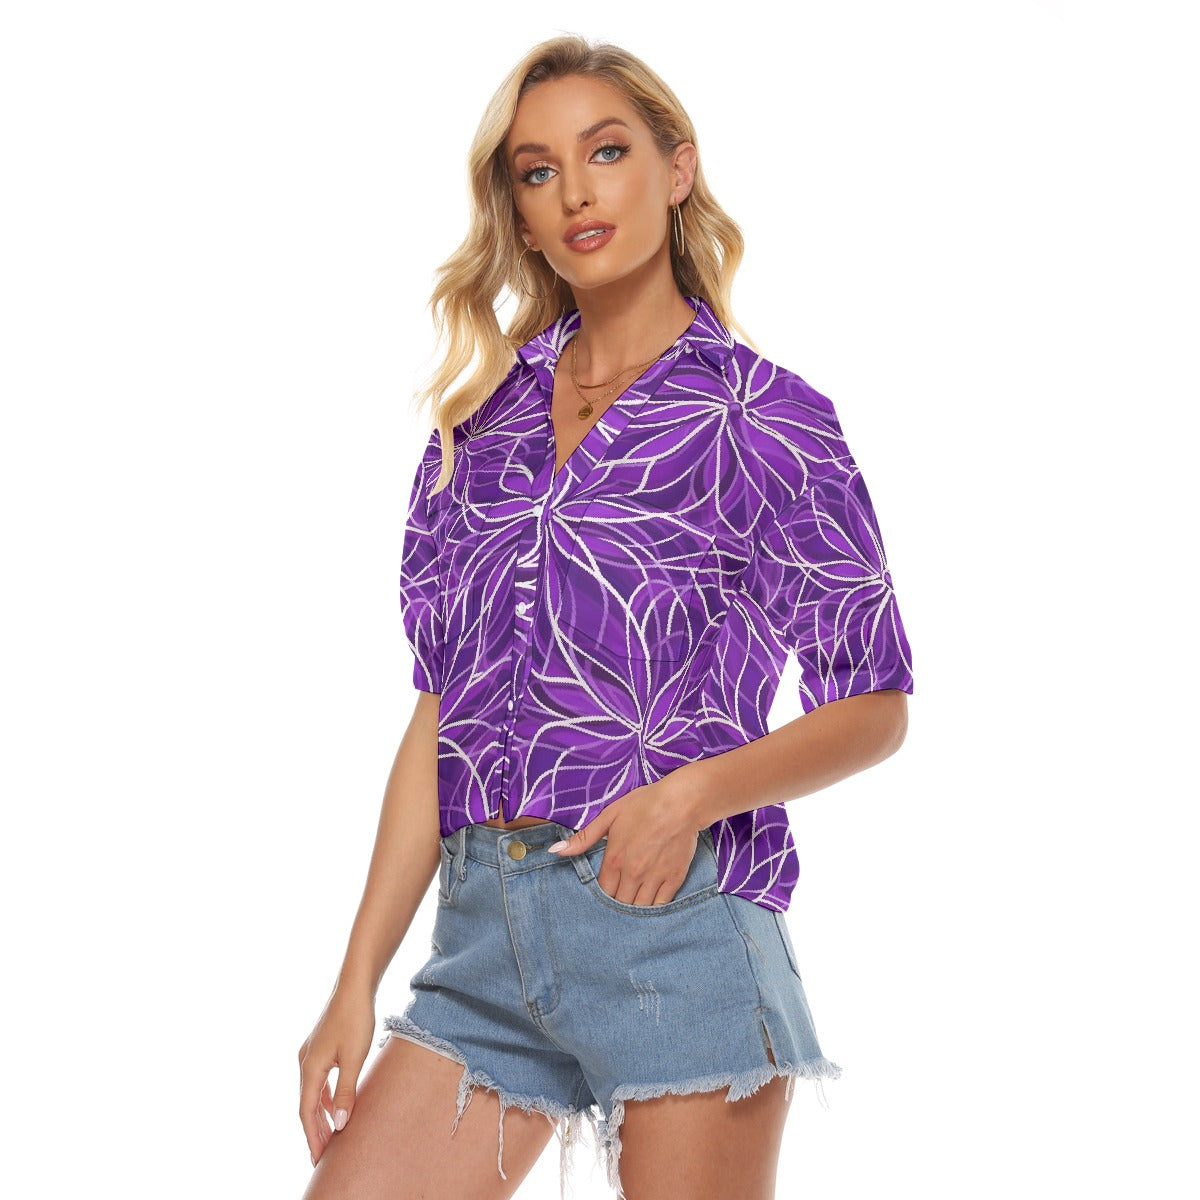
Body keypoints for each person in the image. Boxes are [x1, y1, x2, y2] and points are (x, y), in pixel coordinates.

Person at [298, 33, 913, 1200]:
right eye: (538, 171)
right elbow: (440, 715)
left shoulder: (766, 420)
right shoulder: (477, 432)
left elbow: (875, 704)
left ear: (677, 169)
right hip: (480, 953)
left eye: (608, 151)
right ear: (522, 219)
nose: (576, 191)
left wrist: (689, 797)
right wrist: (354, 983)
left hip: (676, 937)